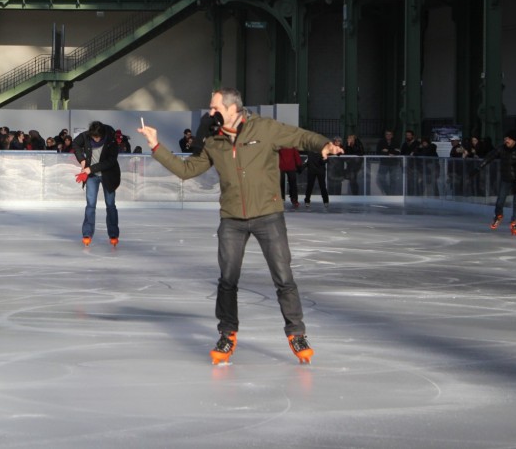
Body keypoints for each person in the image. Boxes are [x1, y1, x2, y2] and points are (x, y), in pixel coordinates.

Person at [138, 88, 343, 365]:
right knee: (227, 280)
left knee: (283, 277)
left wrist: (324, 145)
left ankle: (296, 332)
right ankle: (227, 333)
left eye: (214, 107)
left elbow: (299, 136)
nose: (210, 112)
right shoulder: (213, 141)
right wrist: (155, 145)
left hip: (268, 215)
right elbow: (187, 171)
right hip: (232, 219)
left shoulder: (265, 129)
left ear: (232, 108)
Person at [72, 121, 121, 247]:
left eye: (97, 137)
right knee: (90, 205)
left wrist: (90, 169)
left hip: (108, 176)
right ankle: (87, 234)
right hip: (92, 177)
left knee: (110, 205)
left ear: (103, 134)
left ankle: (113, 234)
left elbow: (111, 161)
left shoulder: (111, 139)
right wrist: (82, 159)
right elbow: (75, 144)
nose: (95, 139)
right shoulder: (86, 136)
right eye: (93, 137)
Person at [477, 130, 516, 236]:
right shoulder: (501, 148)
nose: (506, 141)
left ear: (513, 140)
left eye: (508, 139)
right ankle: (498, 215)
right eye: (505, 139)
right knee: (500, 201)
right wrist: (479, 167)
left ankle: (514, 222)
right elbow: (490, 156)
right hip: (506, 179)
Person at [375, 129, 402, 195]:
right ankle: (388, 192)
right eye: (387, 134)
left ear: (392, 135)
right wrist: (390, 153)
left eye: (390, 134)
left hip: (394, 163)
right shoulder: (381, 142)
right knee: (381, 178)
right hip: (384, 163)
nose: (388, 136)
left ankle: (391, 194)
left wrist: (387, 151)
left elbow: (398, 152)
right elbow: (378, 152)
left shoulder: (395, 142)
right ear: (385, 135)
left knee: (393, 179)